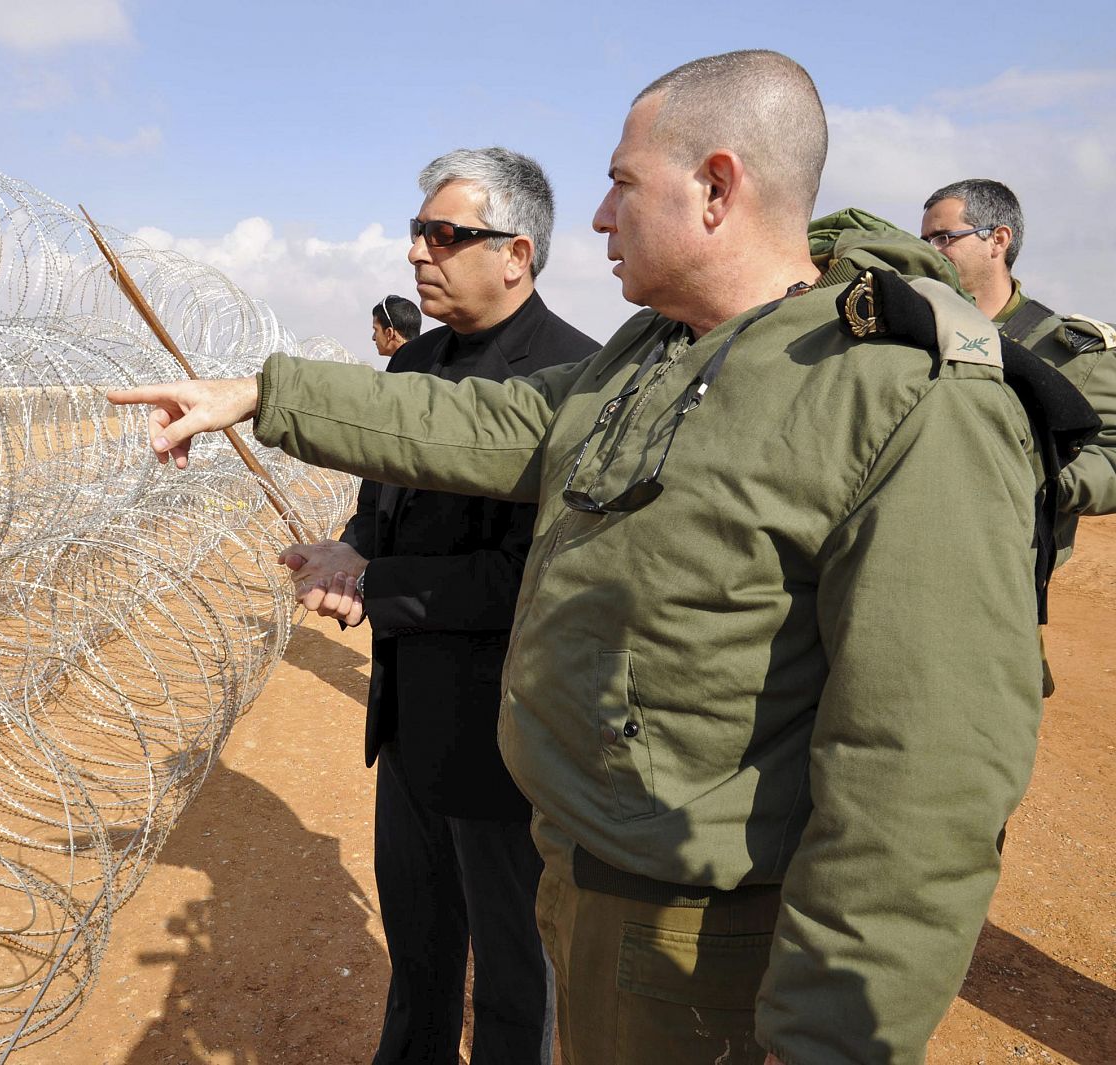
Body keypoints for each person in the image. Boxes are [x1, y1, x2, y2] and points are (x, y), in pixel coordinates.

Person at [111, 51, 1045, 1065]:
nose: (598, 217)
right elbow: (491, 419)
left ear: (716, 188)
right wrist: (262, 394)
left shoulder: (906, 398)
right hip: (586, 871)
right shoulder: (656, 354)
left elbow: (925, 767)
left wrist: (831, 1036)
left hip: (708, 942)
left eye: (621, 182)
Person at [284, 147, 599, 1065]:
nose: (420, 251)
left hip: (508, 742)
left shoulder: (574, 376)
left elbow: (524, 576)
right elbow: (387, 502)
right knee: (419, 957)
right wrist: (353, 547)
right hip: (412, 723)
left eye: (446, 234)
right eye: (417, 232)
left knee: (514, 977)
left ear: (517, 252)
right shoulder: (414, 361)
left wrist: (375, 590)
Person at [919, 178, 1116, 569]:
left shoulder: (1071, 352)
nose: (931, 252)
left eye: (943, 238)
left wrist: (1031, 475)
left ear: (998, 239)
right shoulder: (921, 330)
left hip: (1004, 581)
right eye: (924, 240)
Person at [371, 293, 421, 359]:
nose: (373, 338)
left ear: (389, 333)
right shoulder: (427, 359)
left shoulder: (401, 365)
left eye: (376, 330)